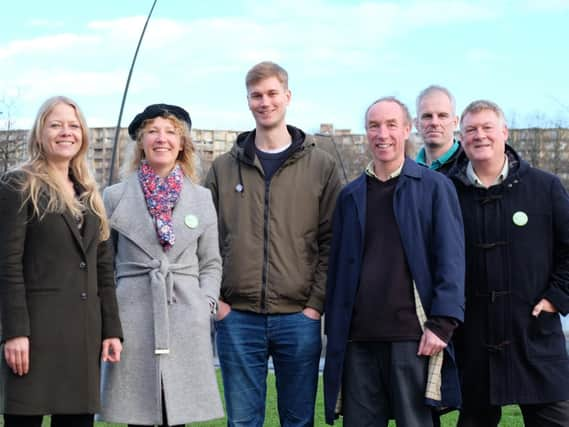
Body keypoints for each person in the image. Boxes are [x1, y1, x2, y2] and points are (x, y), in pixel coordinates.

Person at [204, 61, 341, 427]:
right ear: (248, 101)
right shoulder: (222, 168)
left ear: (287, 97)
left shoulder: (321, 166)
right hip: (237, 317)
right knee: (243, 422)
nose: (265, 102)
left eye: (271, 94)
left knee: (298, 421)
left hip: (299, 317)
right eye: (256, 95)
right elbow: (205, 242)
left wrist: (314, 306)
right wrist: (217, 303)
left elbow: (333, 242)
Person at [323, 96, 465, 426]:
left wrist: (442, 325)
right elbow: (338, 271)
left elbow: (452, 261)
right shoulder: (350, 196)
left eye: (390, 125)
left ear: (407, 128)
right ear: (366, 133)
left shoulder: (434, 187)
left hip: (413, 339)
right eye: (374, 126)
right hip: (358, 341)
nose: (382, 134)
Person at [0, 96, 123, 427]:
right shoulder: (18, 184)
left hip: (83, 338)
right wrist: (14, 333)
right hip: (34, 337)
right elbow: (7, 266)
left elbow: (103, 270)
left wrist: (112, 330)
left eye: (73, 125)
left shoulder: (89, 193)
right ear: (40, 133)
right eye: (56, 125)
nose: (66, 132)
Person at [97, 104, 223, 427]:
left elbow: (211, 262)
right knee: (136, 416)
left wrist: (205, 303)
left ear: (182, 144)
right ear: (140, 142)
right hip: (133, 320)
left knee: (177, 415)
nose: (161, 138)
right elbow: (104, 265)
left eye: (171, 132)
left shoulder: (202, 199)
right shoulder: (113, 197)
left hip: (184, 316)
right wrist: (111, 317)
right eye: (152, 131)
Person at [448, 100, 569, 427]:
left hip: (533, 333)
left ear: (504, 131)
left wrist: (556, 298)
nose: (480, 136)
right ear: (461, 137)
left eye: (487, 127)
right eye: (471, 129)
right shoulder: (448, 192)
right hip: (474, 338)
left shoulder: (544, 187)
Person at [415, 85, 461, 174]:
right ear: (416, 124)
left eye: (442, 116)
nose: (434, 123)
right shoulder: (407, 172)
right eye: (427, 116)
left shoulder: (472, 167)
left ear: (455, 122)